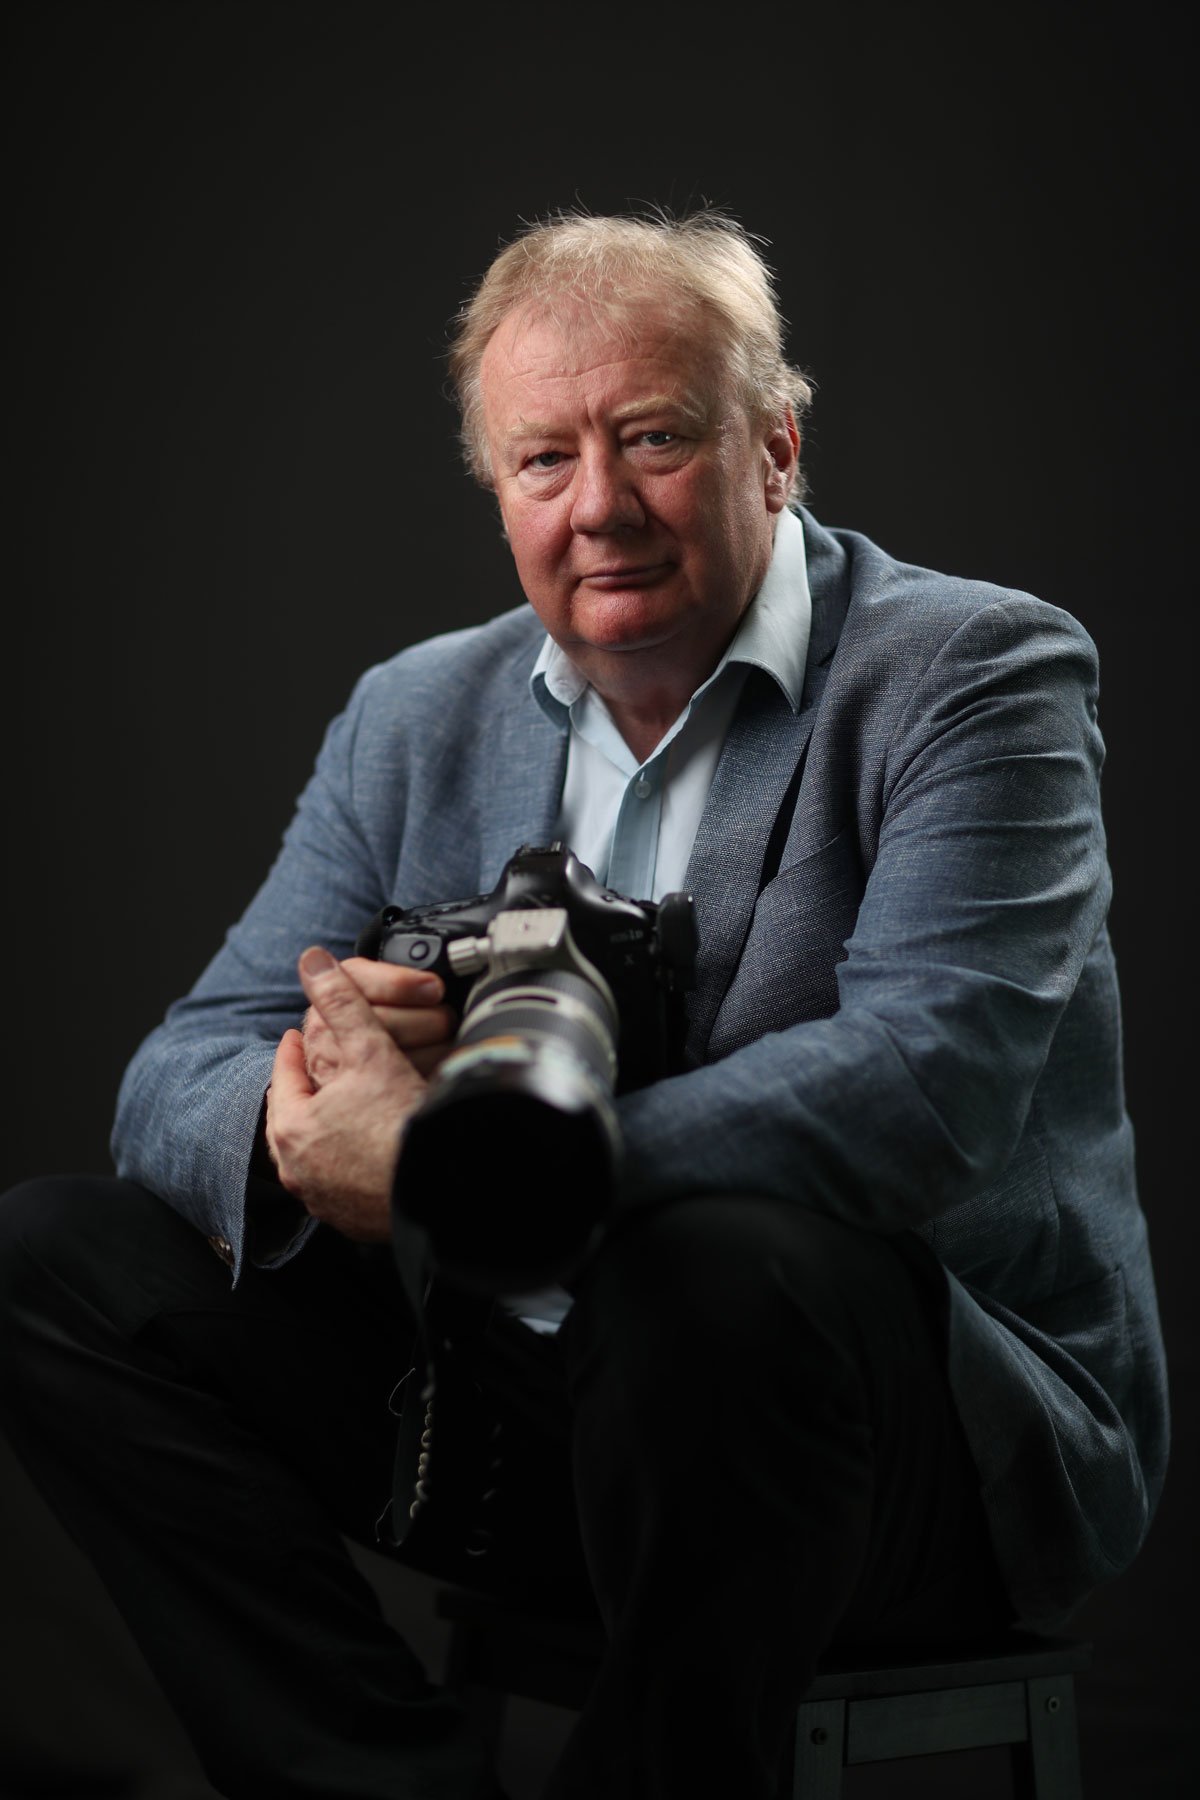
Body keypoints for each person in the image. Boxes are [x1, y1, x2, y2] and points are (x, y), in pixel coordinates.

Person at [0, 211, 1169, 1800]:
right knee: (51, 1259)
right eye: (543, 461)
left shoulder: (973, 672)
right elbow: (177, 1066)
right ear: (499, 492)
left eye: (655, 440)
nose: (600, 508)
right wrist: (308, 1113)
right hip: (521, 1424)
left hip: (898, 1455)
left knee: (713, 1267)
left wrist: (444, 1170)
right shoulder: (416, 713)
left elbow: (929, 1085)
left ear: (776, 447)